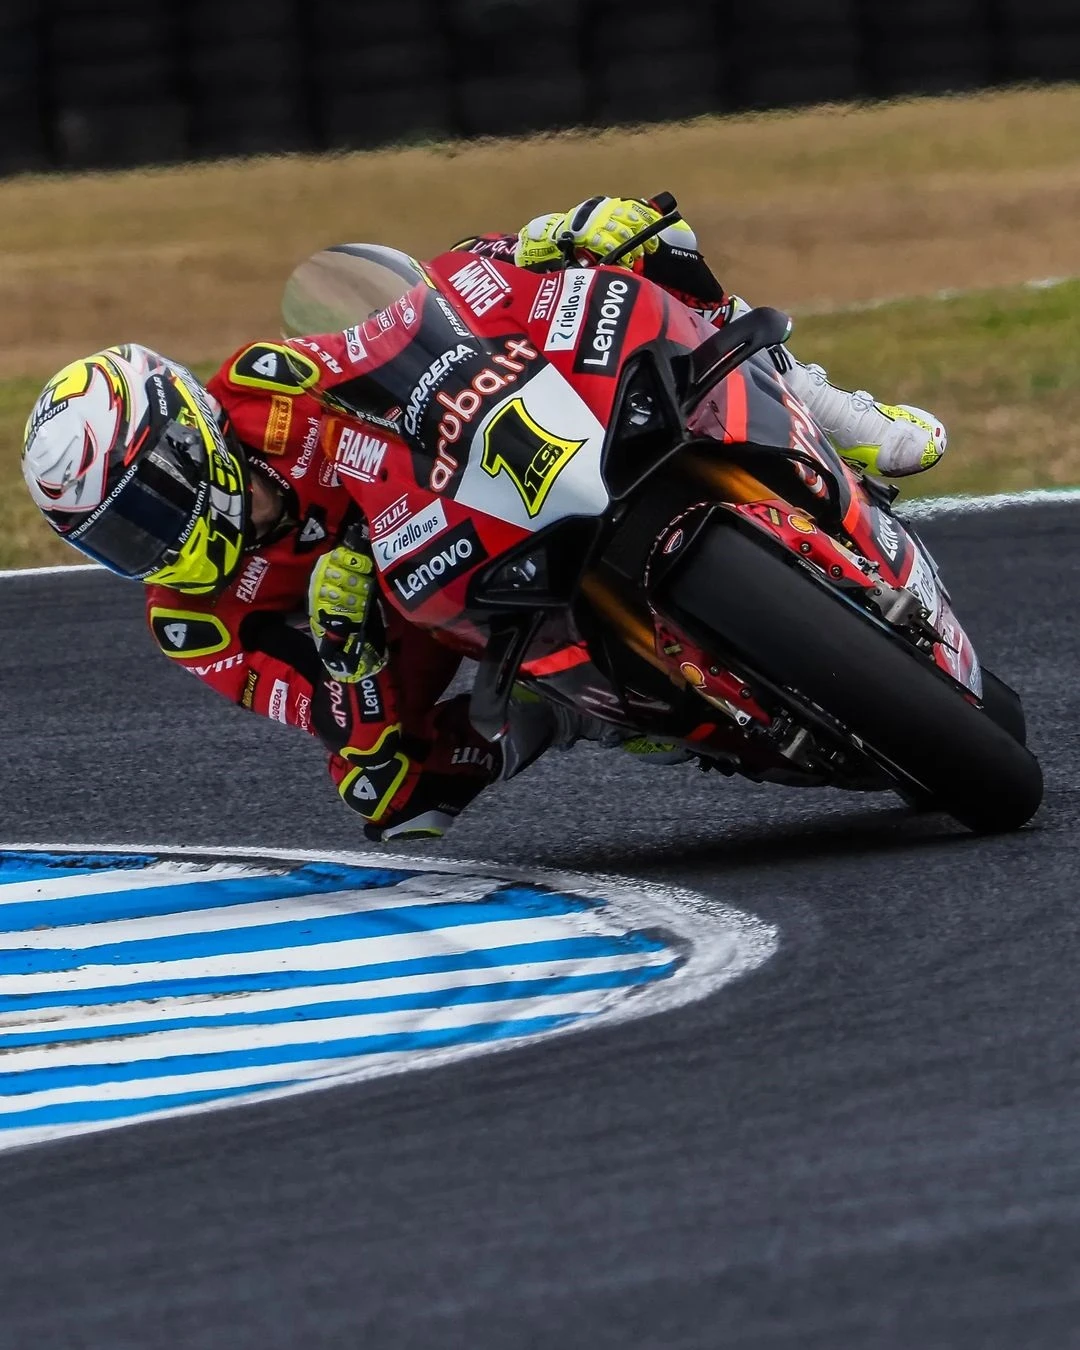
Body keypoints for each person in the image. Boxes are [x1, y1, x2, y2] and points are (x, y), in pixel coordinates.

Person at [21, 196, 947, 841]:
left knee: (639, 244)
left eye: (144, 505)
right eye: (117, 540)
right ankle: (583, 713)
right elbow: (343, 736)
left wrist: (533, 245)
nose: (154, 544)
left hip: (469, 480)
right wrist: (348, 652)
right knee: (390, 802)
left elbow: (420, 316)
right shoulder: (195, 621)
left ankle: (821, 412)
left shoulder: (268, 386)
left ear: (188, 439)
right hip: (432, 613)